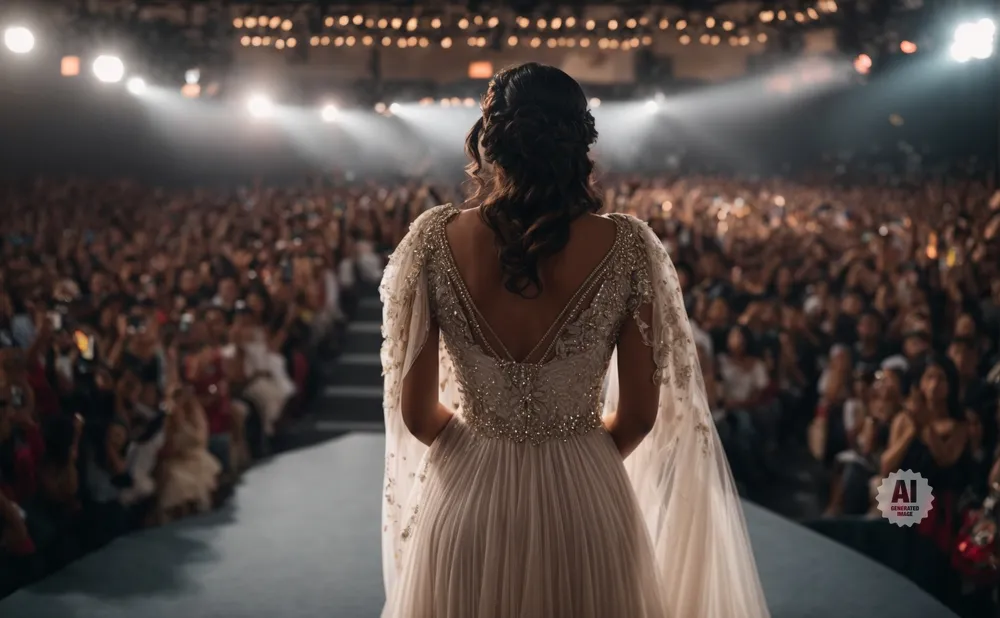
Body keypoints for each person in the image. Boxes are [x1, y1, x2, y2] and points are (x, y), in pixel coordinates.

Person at [379, 63, 768, 618]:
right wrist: (572, 452)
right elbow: (637, 415)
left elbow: (417, 415)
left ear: (492, 140)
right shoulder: (628, 248)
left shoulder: (432, 240)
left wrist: (486, 442)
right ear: (579, 143)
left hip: (469, 500)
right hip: (585, 496)